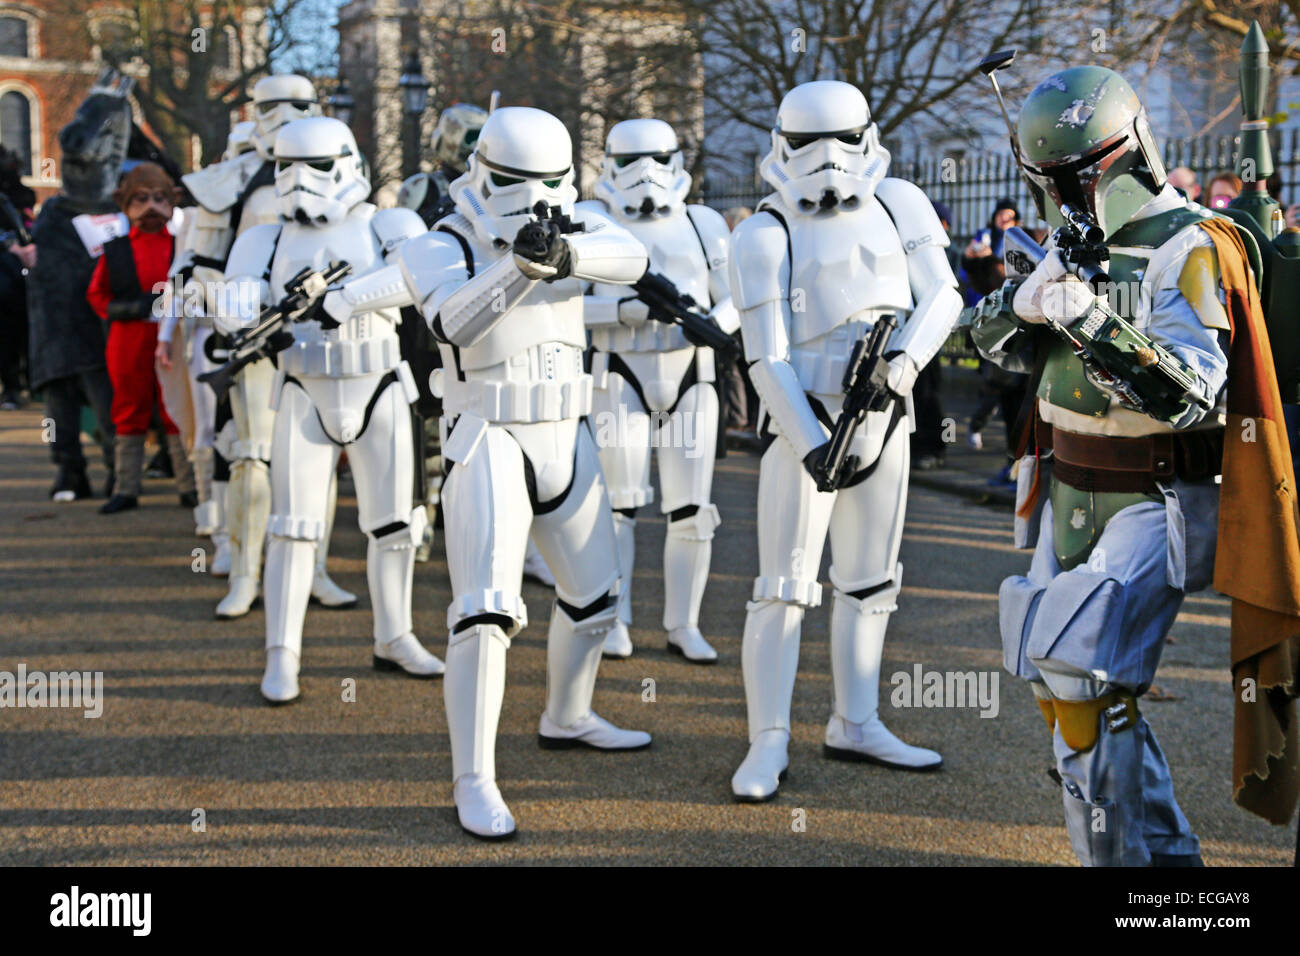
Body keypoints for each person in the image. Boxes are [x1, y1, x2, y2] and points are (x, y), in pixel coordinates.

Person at [969, 64, 1300, 864]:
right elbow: (988, 346)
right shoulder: (1068, 239)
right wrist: (1018, 306)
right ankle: (1161, 857)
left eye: (1079, 176)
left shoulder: (1186, 242)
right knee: (1061, 689)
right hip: (1066, 488)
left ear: (1124, 154)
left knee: (1081, 679)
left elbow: (1191, 392)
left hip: (1152, 493)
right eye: (1048, 180)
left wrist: (1093, 322)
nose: (1067, 194)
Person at [333, 105, 653, 838]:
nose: (533, 198)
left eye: (549, 183)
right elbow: (452, 320)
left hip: (567, 430)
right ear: (481, 172)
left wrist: (565, 257)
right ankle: (473, 776)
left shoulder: (583, 223)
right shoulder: (438, 241)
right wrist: (517, 266)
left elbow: (634, 260)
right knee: (484, 611)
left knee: (596, 599)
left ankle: (568, 715)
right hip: (487, 430)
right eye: (515, 181)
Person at [727, 80, 960, 801]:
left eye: (840, 140)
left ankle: (856, 720)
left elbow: (944, 294)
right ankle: (767, 740)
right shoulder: (764, 232)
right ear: (780, 144)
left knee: (870, 581)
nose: (826, 160)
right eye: (807, 144)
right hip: (811, 424)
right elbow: (766, 357)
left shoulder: (901, 204)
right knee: (784, 589)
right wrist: (809, 440)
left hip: (888, 415)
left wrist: (906, 364)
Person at [217, 116, 444, 704]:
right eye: (285, 167)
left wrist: (344, 298)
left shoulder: (387, 223)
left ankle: (394, 635)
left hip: (380, 384)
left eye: (313, 166)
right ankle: (282, 653)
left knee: (395, 524)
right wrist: (246, 312)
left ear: (347, 162)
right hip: (304, 389)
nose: (297, 180)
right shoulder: (262, 238)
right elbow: (236, 301)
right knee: (292, 528)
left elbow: (426, 279)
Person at [175, 74, 353, 619]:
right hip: (254, 337)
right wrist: (234, 315)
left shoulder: (340, 168)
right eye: (276, 105)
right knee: (252, 455)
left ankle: (314, 569)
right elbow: (197, 270)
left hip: (319, 336)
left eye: (300, 104)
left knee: (315, 458)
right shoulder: (227, 181)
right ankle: (247, 574)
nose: (288, 115)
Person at [577, 118, 739, 663]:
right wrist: (623, 311)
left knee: (692, 510)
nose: (644, 173)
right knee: (619, 507)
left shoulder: (702, 223)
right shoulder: (592, 222)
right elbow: (565, 305)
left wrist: (713, 323)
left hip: (692, 371)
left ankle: (683, 623)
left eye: (655, 158)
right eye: (629, 161)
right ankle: (617, 619)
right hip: (618, 370)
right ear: (610, 164)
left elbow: (737, 295)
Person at [26, 71, 132, 502]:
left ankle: (115, 469)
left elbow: (81, 143)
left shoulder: (113, 216)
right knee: (59, 402)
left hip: (95, 327)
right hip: (54, 326)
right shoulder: (53, 215)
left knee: (104, 399)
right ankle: (69, 470)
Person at [85, 161, 196, 513]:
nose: (151, 207)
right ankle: (126, 487)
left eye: (160, 198)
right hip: (129, 336)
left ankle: (189, 485)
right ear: (125, 202)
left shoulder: (183, 246)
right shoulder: (115, 249)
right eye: (142, 198)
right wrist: (128, 308)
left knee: (175, 407)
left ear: (173, 201)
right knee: (128, 408)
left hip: (173, 335)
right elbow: (97, 294)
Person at [911, 199, 955, 469]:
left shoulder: (941, 252)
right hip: (911, 328)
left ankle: (933, 447)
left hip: (929, 333)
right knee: (913, 394)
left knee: (928, 394)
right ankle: (917, 446)